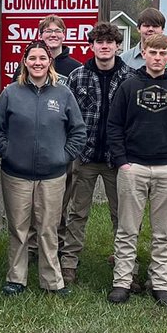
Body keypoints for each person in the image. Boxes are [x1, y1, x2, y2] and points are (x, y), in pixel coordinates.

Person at [106, 34, 167, 308]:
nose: (157, 58)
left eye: (162, 53)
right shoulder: (128, 86)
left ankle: (160, 284)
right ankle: (122, 281)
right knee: (127, 229)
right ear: (143, 53)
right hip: (133, 167)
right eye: (152, 52)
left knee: (164, 232)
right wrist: (122, 160)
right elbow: (114, 126)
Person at [0, 40, 87, 296]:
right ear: (25, 62)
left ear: (49, 62)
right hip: (16, 174)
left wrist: (63, 156)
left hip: (53, 175)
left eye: (42, 58)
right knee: (19, 228)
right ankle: (16, 278)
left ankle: (52, 281)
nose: (37, 63)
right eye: (32, 58)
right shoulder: (11, 92)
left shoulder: (63, 94)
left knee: (48, 228)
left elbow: (78, 131)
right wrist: (7, 153)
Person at [59, 22, 133, 285]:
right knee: (77, 212)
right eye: (99, 42)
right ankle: (69, 263)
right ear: (91, 47)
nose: (104, 46)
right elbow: (66, 117)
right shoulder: (77, 77)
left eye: (109, 42)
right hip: (85, 156)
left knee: (121, 214)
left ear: (117, 46)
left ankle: (126, 267)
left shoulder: (130, 77)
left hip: (118, 159)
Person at [38, 14, 81, 81]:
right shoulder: (30, 65)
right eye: (48, 31)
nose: (53, 35)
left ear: (64, 35)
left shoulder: (77, 69)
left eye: (58, 31)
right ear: (40, 35)